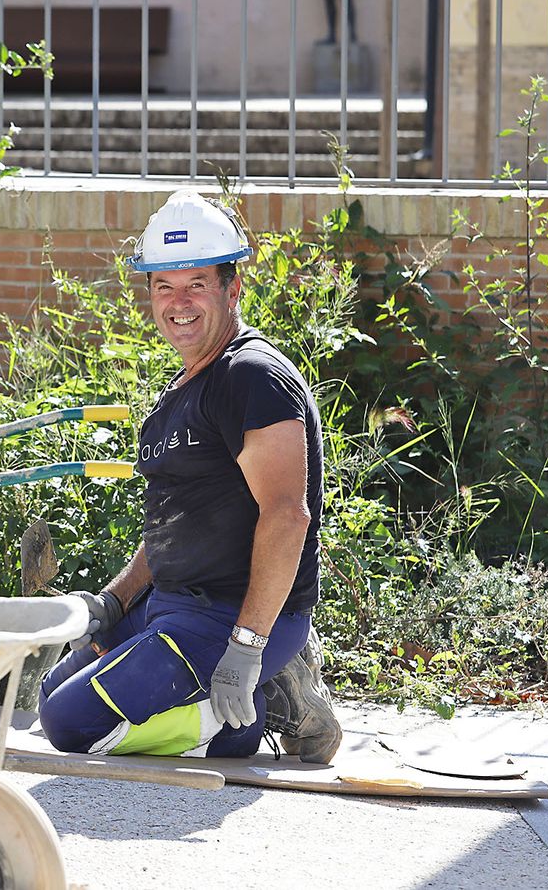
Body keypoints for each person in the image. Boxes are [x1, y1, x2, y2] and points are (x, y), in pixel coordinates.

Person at [38, 190, 341, 763]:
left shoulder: (252, 377)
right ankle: (257, 704)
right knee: (49, 693)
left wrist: (247, 646)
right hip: (171, 608)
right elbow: (176, 524)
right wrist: (115, 602)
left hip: (228, 618)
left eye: (196, 283)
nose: (179, 302)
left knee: (68, 723)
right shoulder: (181, 392)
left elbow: (287, 512)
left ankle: (268, 702)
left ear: (233, 288)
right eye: (164, 285)